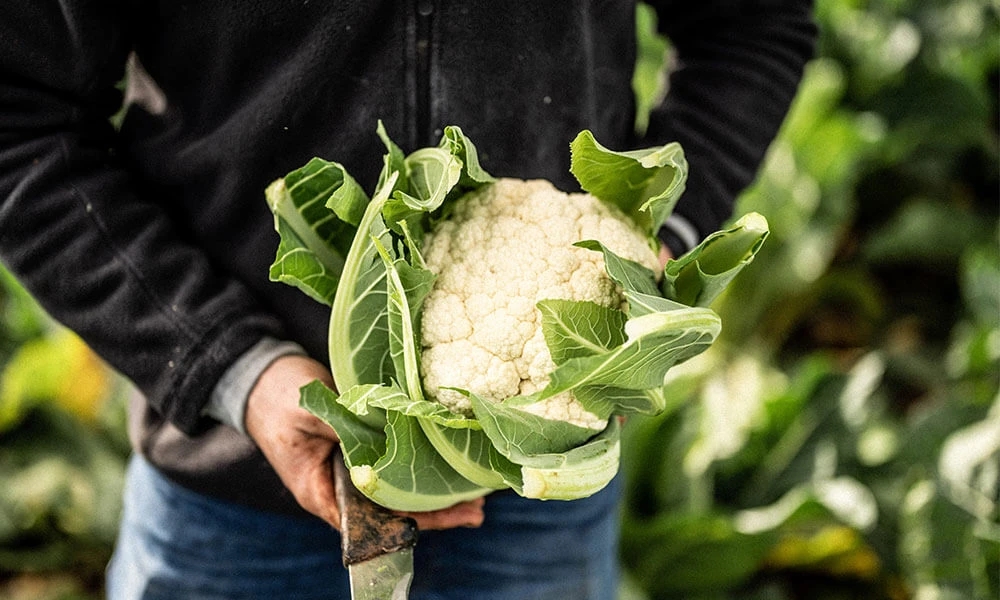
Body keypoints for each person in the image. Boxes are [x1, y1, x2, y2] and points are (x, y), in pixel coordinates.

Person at [0, 2, 816, 598]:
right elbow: (21, 120)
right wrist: (232, 366)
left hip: (534, 505)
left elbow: (754, 25)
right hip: (228, 502)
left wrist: (651, 248)